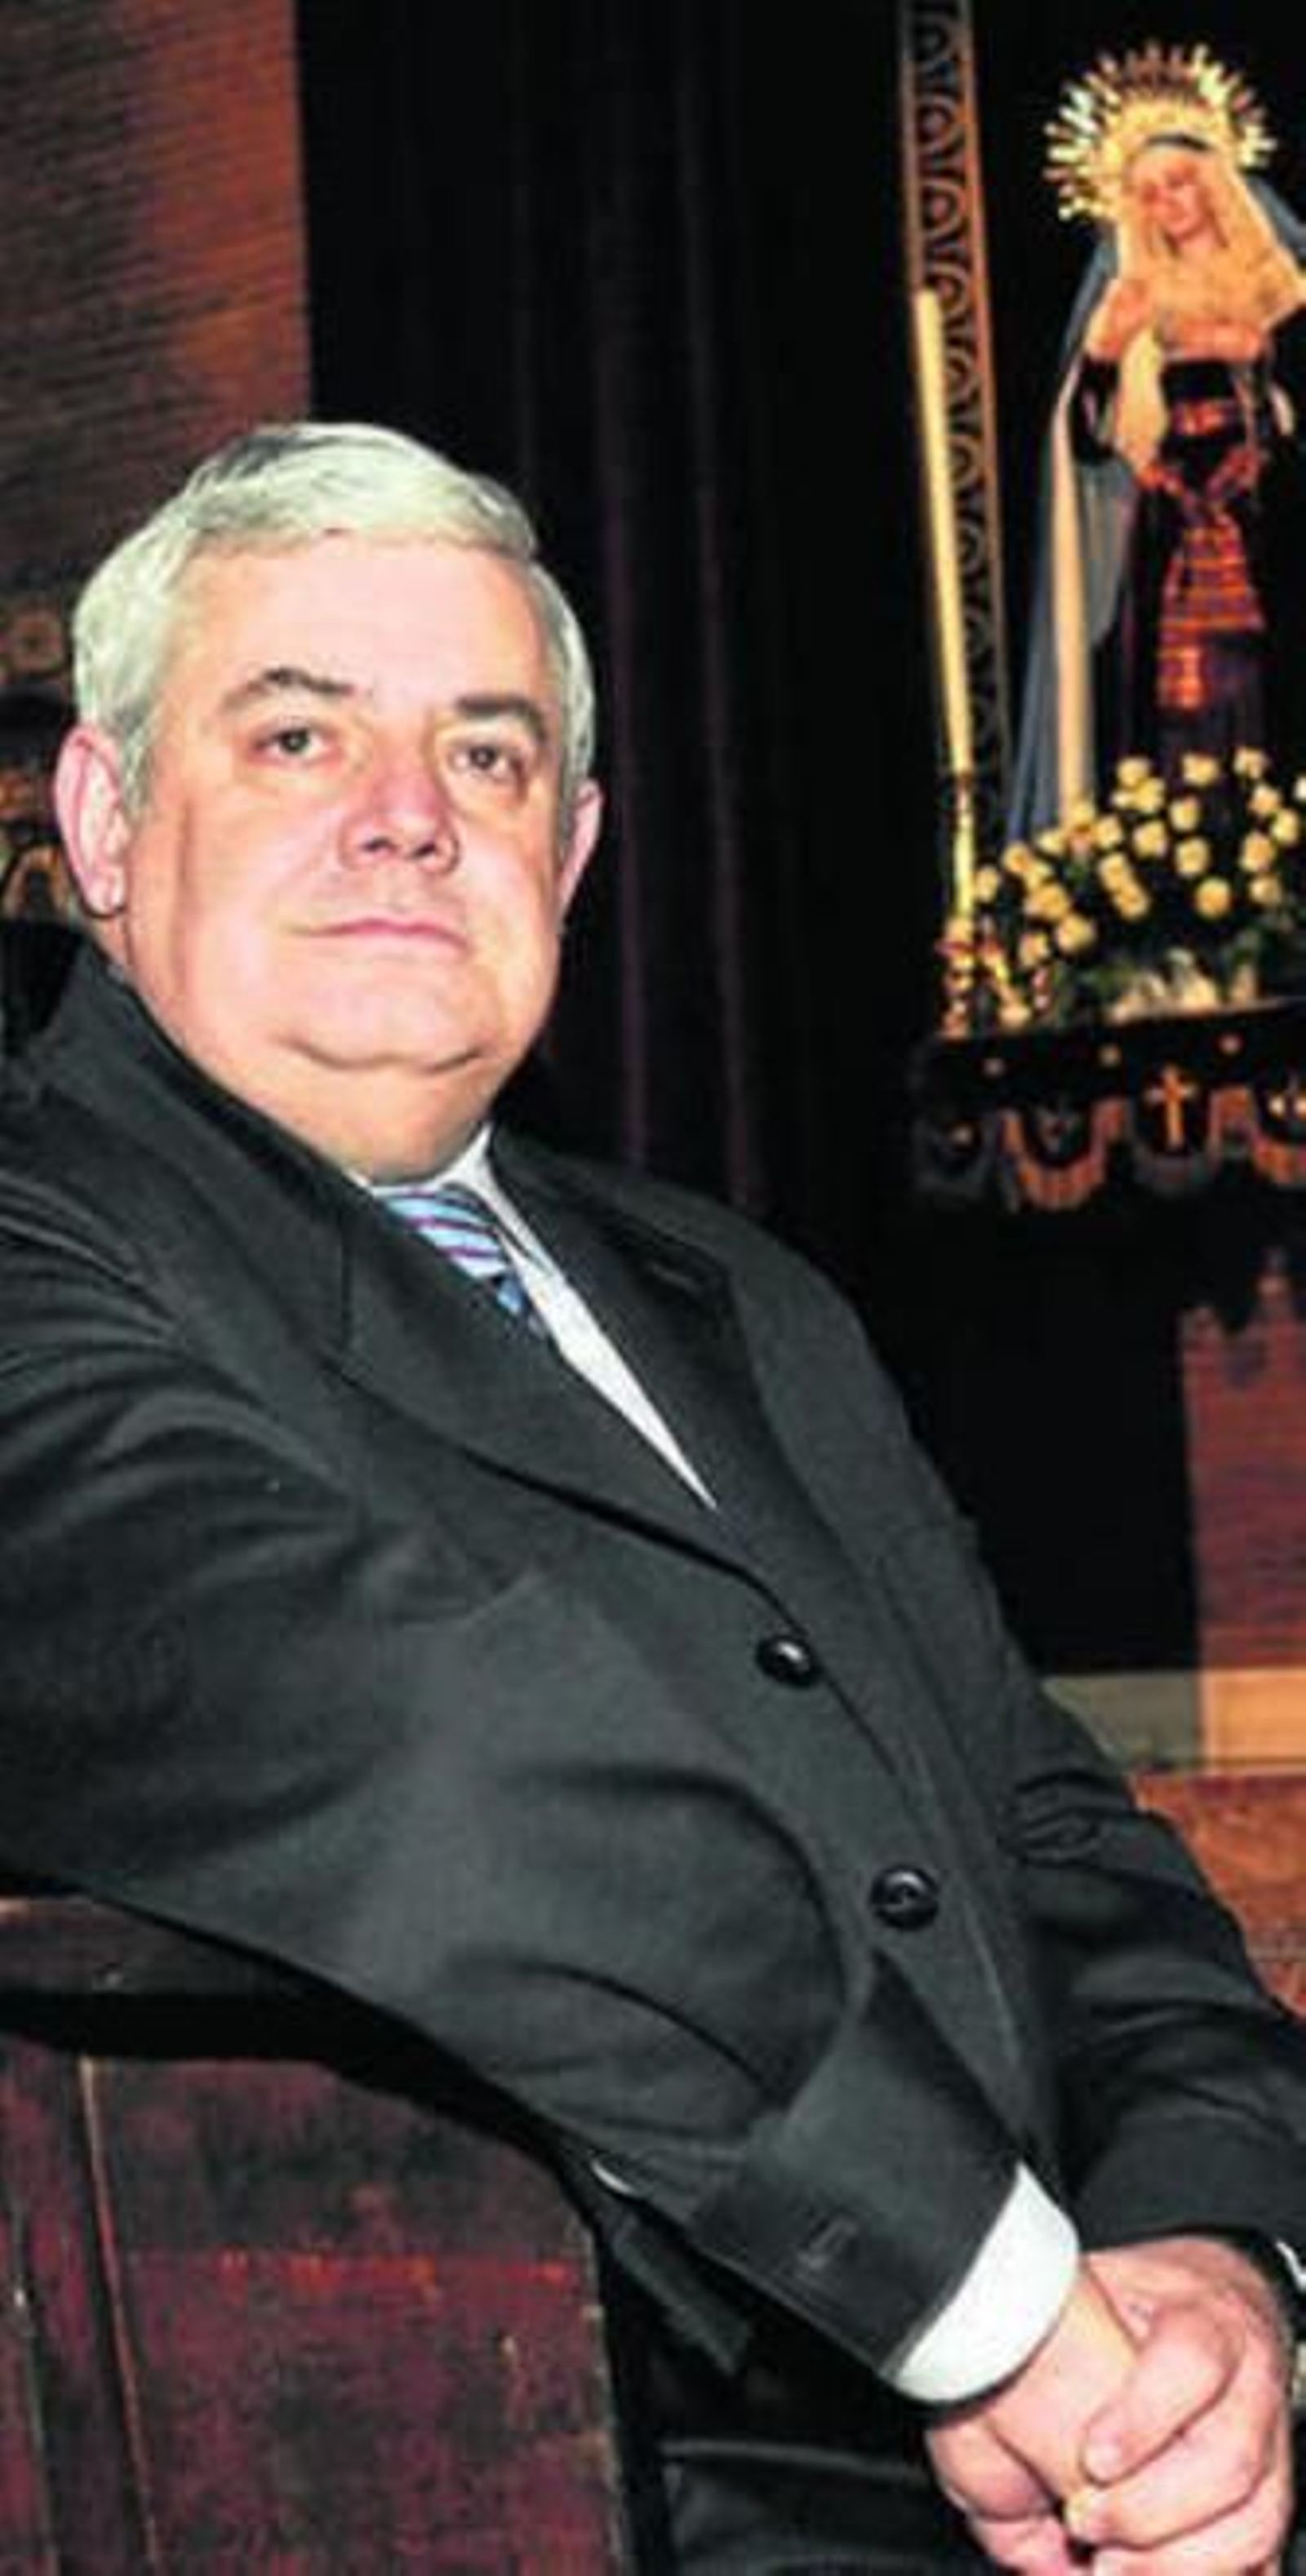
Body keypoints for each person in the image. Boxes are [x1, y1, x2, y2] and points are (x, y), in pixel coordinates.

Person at [0, 419, 1303, 2572]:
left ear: (577, 847)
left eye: (488, 753)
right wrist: (1008, 2319)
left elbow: (1054, 1839)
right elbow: (424, 1753)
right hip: (538, 2487)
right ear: (108, 821)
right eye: (300, 733)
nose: (409, 813)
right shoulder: (42, 1251)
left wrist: (1213, 2265)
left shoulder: (741, 1295)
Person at [1009, 47, 1306, 842]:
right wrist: (1105, 355)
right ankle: (1182, 862)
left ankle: (1274, 856)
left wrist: (1262, 360)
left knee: (1269, 684)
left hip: (1270, 518)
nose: (1169, 202)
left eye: (1180, 182)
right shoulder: (1132, 294)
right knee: (1178, 699)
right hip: (1169, 527)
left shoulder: (1280, 284)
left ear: (1215, 181)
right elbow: (1086, 442)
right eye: (1149, 193)